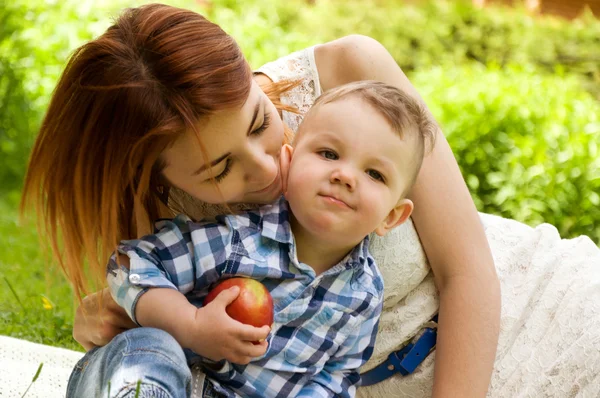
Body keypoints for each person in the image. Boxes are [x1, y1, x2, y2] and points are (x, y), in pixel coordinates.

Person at [21, 3, 600, 398]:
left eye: (260, 121)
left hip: (538, 319)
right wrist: (111, 319)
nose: (272, 165)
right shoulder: (162, 212)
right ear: (155, 178)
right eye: (221, 169)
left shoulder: (350, 74)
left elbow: (468, 269)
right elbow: (149, 321)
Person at [106, 81, 435, 398]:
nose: (345, 176)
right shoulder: (238, 240)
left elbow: (338, 372)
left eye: (374, 174)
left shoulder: (364, 294)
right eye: (329, 154)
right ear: (288, 166)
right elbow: (129, 264)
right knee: (148, 354)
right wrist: (192, 325)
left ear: (392, 216)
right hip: (181, 381)